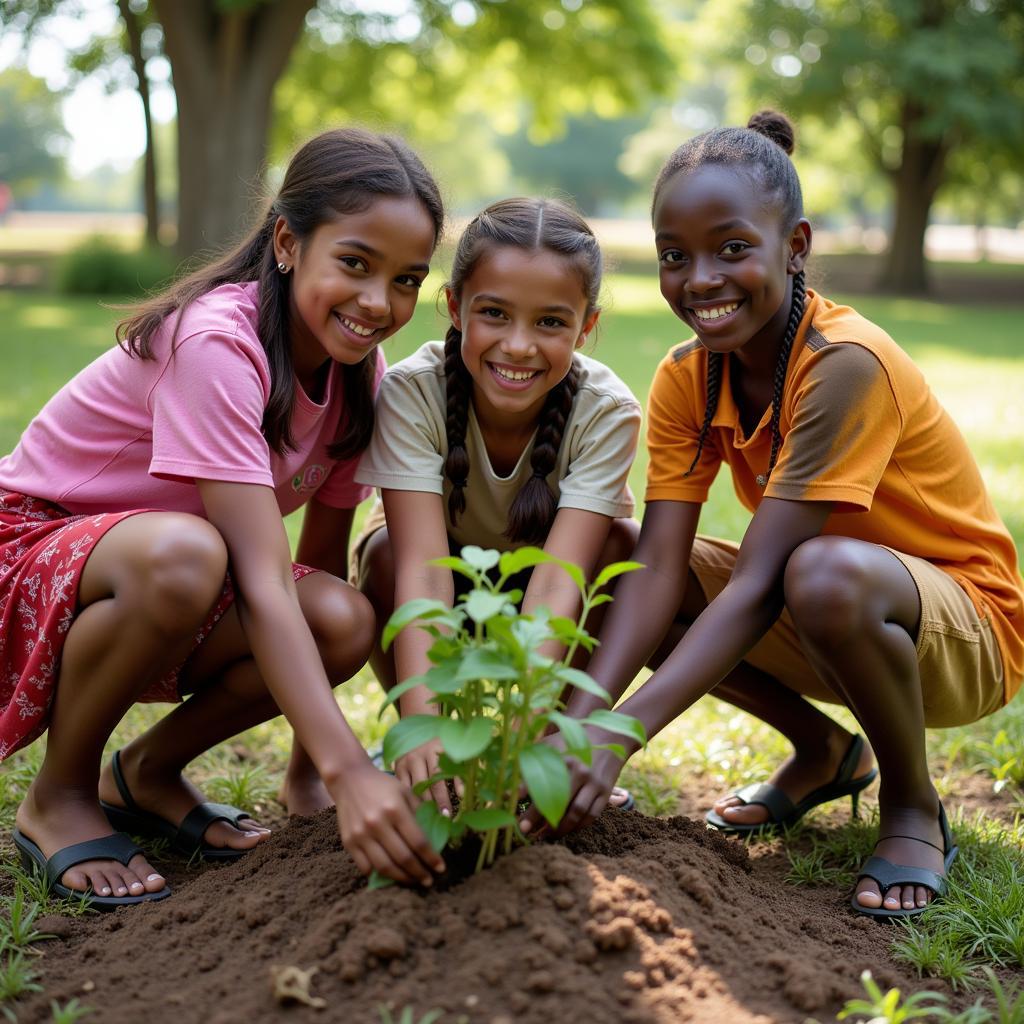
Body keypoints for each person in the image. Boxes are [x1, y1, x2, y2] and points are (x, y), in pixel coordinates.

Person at [522, 111, 1024, 920]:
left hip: (964, 632)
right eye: (674, 257)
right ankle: (825, 751)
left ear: (795, 247)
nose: (702, 281)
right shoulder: (688, 374)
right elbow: (655, 573)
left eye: (732, 249)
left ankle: (911, 808)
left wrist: (620, 738)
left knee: (818, 572)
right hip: (822, 606)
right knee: (624, 559)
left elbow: (758, 584)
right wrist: (573, 731)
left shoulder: (844, 365)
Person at [0, 127, 448, 909]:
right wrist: (351, 771)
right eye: (354, 263)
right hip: (30, 545)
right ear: (286, 241)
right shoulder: (216, 343)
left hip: (155, 572)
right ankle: (60, 794)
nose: (380, 303)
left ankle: (142, 775)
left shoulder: (356, 375)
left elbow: (316, 570)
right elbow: (263, 581)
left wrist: (311, 765)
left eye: (407, 279)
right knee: (187, 554)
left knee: (344, 618)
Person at [353, 197, 642, 814]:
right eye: (494, 314)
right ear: (455, 308)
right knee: (381, 553)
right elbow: (425, 574)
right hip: (442, 580)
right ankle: (425, 748)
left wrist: (522, 739)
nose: (518, 346)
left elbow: (560, 586)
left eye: (550, 323)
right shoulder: (411, 392)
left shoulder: (607, 412)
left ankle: (553, 746)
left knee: (623, 545)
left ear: (585, 327)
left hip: (541, 582)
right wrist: (427, 719)